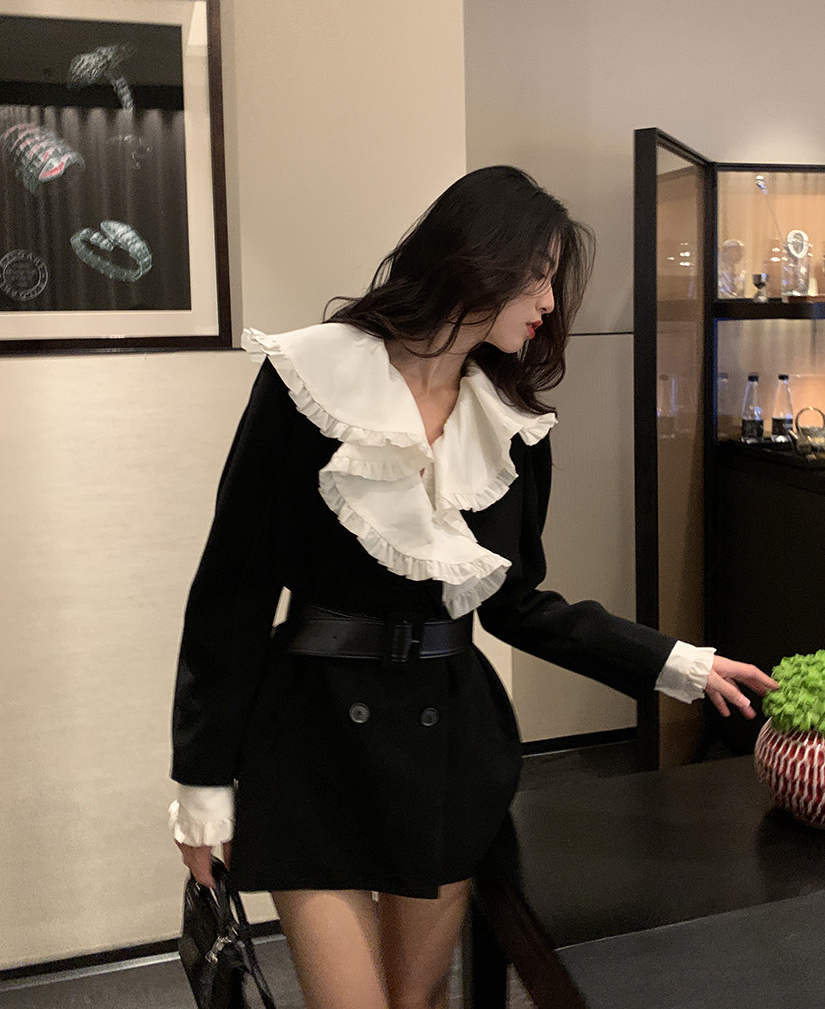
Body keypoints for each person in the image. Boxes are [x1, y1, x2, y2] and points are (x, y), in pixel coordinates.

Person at [170, 166, 777, 1009]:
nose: (549, 304)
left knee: (419, 1003)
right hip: (308, 738)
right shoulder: (309, 379)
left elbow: (517, 604)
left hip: (447, 741)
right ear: (477, 261)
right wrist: (201, 784)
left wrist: (680, 663)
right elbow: (231, 590)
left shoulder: (510, 422)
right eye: (538, 276)